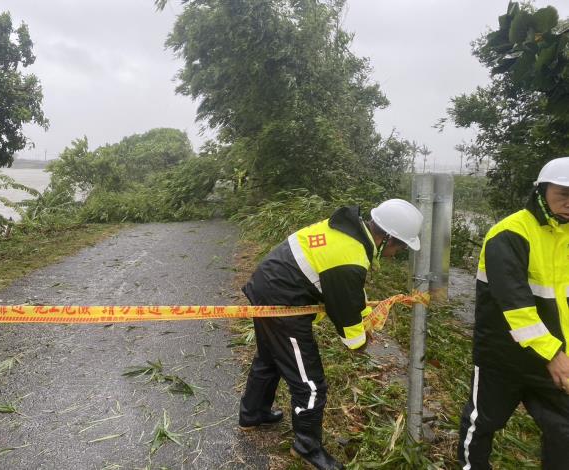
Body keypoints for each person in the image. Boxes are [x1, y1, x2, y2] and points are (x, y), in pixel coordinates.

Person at [238, 199, 423, 470]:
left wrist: (362, 319)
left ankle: (253, 414)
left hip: (270, 287)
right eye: (402, 246)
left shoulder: (349, 235)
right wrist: (359, 342)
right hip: (283, 304)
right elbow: (345, 312)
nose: (399, 252)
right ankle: (306, 447)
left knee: (269, 359)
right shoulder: (349, 256)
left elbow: (349, 294)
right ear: (387, 238)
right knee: (310, 383)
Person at [458, 157, 569, 469]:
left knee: (563, 430)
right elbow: (516, 305)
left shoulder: (566, 235)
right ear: (542, 191)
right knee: (482, 424)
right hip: (503, 357)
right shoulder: (510, 234)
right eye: (564, 193)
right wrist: (554, 354)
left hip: (552, 357)